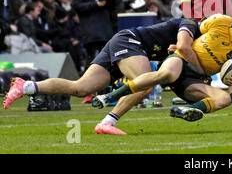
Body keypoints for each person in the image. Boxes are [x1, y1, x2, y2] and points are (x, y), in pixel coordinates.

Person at [3, 17, 203, 133]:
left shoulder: (201, 41)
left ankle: (26, 86)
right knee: (145, 85)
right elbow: (184, 47)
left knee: (81, 88)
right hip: (130, 42)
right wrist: (203, 74)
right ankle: (107, 122)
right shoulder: (191, 24)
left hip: (123, 43)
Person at [93, 10, 232, 123]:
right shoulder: (220, 22)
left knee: (225, 99)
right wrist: (178, 44)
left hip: (195, 79)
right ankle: (110, 96)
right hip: (181, 60)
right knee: (166, 74)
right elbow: (196, 31)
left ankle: (186, 110)